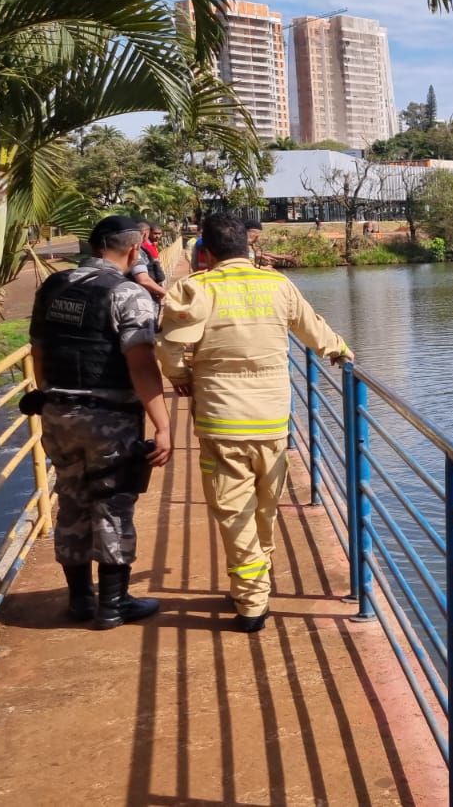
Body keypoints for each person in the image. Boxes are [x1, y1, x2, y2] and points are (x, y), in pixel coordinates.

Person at [157, 213, 352, 633]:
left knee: (234, 512)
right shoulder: (278, 285)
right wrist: (339, 350)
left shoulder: (197, 288)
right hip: (273, 421)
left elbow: (171, 348)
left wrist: (181, 378)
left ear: (203, 253)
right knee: (266, 508)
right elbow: (313, 329)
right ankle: (257, 576)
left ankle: (251, 602)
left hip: (222, 422)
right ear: (248, 247)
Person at [30, 216, 172, 630]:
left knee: (71, 500)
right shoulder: (128, 294)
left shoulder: (53, 287)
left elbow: (38, 349)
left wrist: (51, 396)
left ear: (93, 247)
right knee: (112, 502)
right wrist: (162, 425)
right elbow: (141, 364)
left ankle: (79, 599)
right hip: (109, 417)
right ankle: (113, 605)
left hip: (57, 411)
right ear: (134, 251)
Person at [136, 220, 166, 287]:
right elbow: (155, 264)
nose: (157, 236)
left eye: (159, 234)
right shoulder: (145, 245)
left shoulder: (153, 244)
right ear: (149, 233)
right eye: (155, 233)